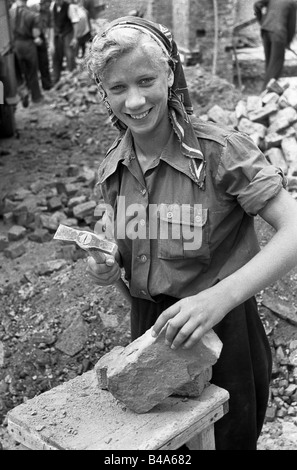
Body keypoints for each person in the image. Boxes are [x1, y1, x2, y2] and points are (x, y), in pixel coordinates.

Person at [84, 16, 297, 450]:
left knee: (228, 441)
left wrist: (218, 298)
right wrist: (106, 266)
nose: (136, 100)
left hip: (225, 332)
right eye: (118, 88)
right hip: (149, 335)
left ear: (170, 75)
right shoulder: (112, 169)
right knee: (165, 449)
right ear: (104, 94)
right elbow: (120, 251)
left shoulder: (220, 152)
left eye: (146, 80)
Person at [254, 0, 297, 91]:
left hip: (266, 31)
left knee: (269, 65)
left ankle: (265, 94)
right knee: (275, 67)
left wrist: (261, 21)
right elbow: (291, 26)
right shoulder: (292, 3)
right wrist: (288, 42)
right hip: (279, 34)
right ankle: (265, 95)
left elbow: (257, 5)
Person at [9, 0, 44, 105]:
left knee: (20, 71)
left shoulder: (9, 13)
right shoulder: (33, 15)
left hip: (16, 46)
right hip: (28, 46)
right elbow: (35, 34)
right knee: (32, 72)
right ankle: (36, 97)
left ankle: (23, 90)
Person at [49, 0, 80, 84]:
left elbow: (75, 22)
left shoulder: (69, 7)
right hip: (58, 33)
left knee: (69, 55)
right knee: (56, 55)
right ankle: (56, 78)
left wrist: (75, 38)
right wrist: (51, 41)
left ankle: (72, 76)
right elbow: (52, 23)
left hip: (68, 33)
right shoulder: (53, 6)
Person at [27, 0, 52, 90]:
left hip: (41, 37)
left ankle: (47, 85)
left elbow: (50, 26)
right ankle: (33, 88)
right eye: (46, 4)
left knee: (44, 62)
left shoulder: (48, 12)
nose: (48, 6)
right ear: (42, 3)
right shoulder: (32, 8)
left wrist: (50, 41)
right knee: (32, 64)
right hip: (31, 38)